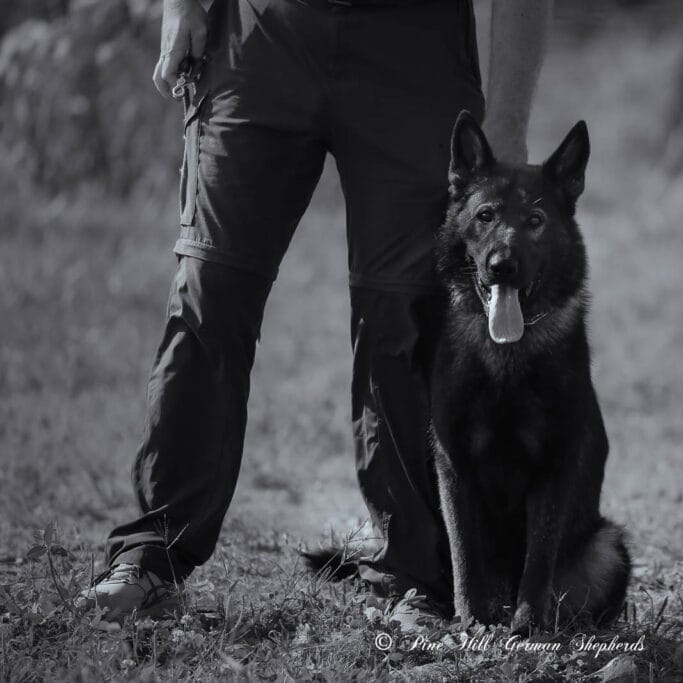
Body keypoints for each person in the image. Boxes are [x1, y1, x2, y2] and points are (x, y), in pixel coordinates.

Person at [74, 0, 551, 625]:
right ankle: (151, 557)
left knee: (407, 313)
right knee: (209, 290)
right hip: (260, 32)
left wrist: (509, 124)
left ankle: (417, 580)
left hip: (416, 50)